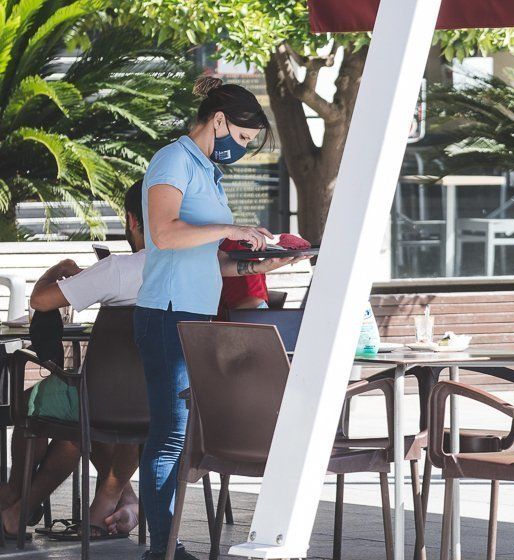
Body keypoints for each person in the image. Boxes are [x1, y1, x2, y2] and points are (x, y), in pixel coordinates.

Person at [134, 76, 296, 560]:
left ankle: (166, 544)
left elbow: (203, 257)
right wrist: (231, 226)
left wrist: (256, 263)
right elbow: (163, 235)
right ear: (219, 120)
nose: (242, 148)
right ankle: (162, 549)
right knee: (169, 433)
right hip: (167, 312)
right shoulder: (173, 159)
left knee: (179, 433)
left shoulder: (205, 169)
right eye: (243, 138)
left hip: (196, 313)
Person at [0, 181, 147, 540]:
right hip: (160, 402)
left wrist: (58, 269)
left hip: (99, 401)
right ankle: (123, 500)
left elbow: (40, 302)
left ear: (131, 220)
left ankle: (16, 501)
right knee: (88, 415)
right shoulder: (198, 273)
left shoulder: (117, 270)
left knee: (49, 406)